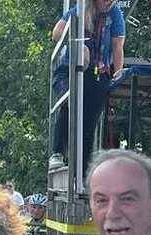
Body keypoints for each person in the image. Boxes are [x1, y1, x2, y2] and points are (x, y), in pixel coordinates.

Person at [49, 0, 125, 173]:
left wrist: (117, 74)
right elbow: (56, 33)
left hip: (98, 72)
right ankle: (57, 152)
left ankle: (83, 170)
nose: (109, 2)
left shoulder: (115, 13)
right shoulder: (80, 10)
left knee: (89, 122)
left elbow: (117, 46)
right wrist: (78, 44)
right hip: (69, 70)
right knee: (70, 102)